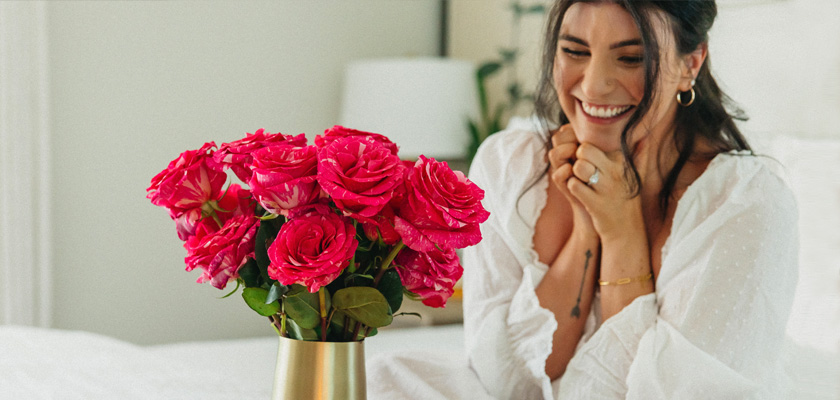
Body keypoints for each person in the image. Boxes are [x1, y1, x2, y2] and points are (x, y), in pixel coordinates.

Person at [462, 0, 798, 399]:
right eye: (575, 51)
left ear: (690, 64)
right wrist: (587, 226)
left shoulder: (743, 204)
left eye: (632, 58)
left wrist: (622, 234)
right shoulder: (509, 166)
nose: (593, 85)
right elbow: (506, 383)